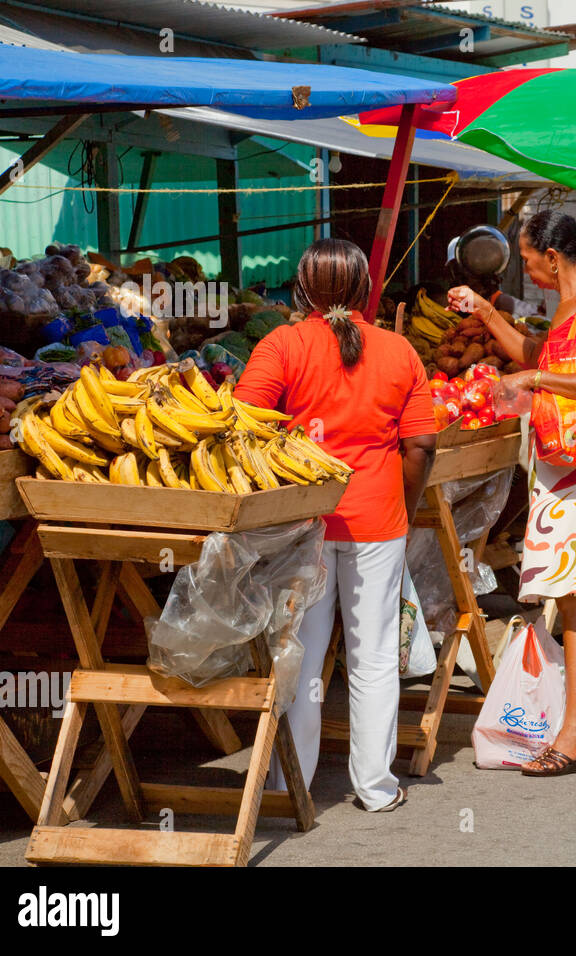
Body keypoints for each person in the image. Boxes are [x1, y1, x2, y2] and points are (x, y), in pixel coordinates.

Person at [236, 237, 437, 812]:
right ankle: (375, 788)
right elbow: (420, 444)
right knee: (373, 654)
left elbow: (243, 425)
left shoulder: (281, 345)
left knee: (298, 649)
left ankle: (285, 786)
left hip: (304, 523)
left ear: (301, 290)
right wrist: (404, 506)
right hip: (378, 521)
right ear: (365, 289)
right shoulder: (399, 351)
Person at [448, 210, 576, 776]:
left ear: (553, 258)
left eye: (528, 259)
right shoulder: (571, 307)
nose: (525, 268)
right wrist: (485, 312)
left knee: (573, 594)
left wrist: (537, 381)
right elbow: (536, 356)